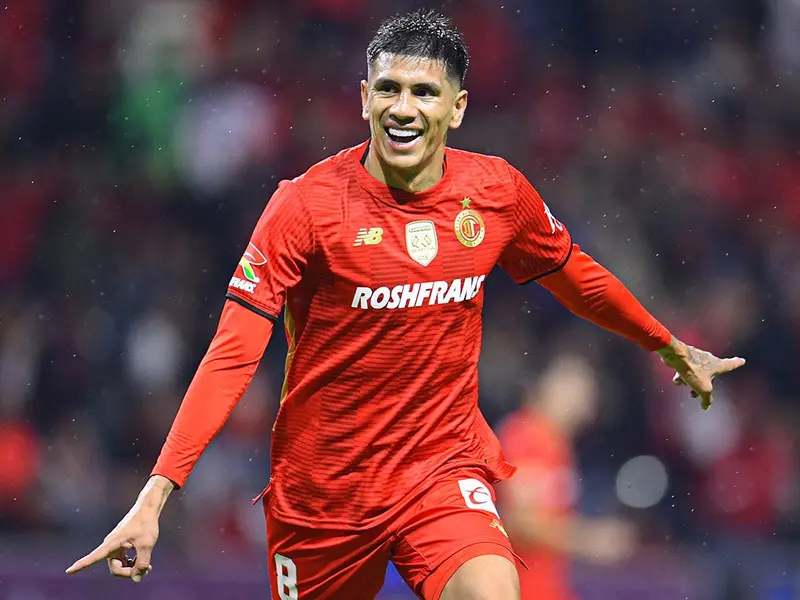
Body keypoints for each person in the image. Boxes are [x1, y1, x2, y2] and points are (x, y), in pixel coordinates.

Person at [65, 9, 745, 600]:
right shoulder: (305, 206)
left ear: (458, 106)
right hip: (324, 494)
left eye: (425, 92)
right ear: (364, 97)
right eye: (388, 88)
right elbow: (232, 354)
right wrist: (157, 493)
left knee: (492, 589)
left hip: (439, 470)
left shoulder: (496, 192)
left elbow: (574, 274)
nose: (403, 107)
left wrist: (666, 344)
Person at [496, 353, 637, 600]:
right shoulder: (525, 437)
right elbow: (519, 523)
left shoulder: (557, 444)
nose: (584, 396)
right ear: (543, 386)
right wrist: (590, 540)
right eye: (573, 384)